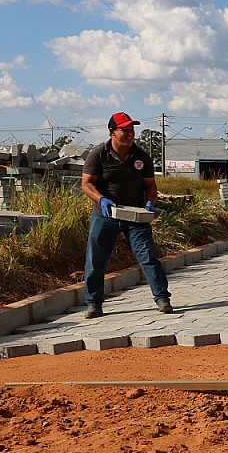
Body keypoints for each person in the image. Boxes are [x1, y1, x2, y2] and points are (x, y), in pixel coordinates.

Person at [80, 112, 172, 319]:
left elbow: (150, 186)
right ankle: (94, 303)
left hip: (135, 216)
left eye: (132, 130)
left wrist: (150, 202)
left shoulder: (141, 157)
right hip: (105, 216)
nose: (130, 134)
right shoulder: (98, 155)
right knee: (95, 260)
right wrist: (101, 199)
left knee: (148, 257)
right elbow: (86, 184)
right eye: (125, 130)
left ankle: (162, 299)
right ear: (112, 131)